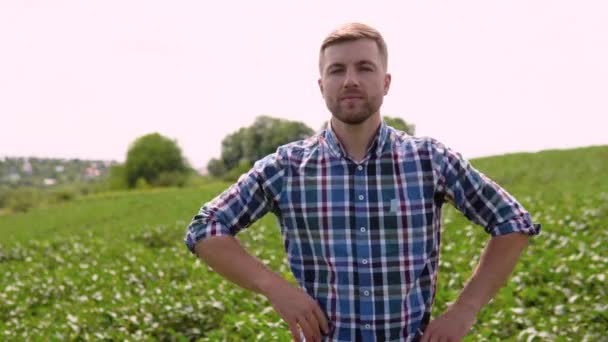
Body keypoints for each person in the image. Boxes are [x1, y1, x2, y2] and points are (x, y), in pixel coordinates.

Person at [185, 22, 540, 342]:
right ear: (322, 85)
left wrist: (465, 311)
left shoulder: (429, 160)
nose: (350, 80)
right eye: (337, 70)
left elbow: (513, 223)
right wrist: (275, 288)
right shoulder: (286, 167)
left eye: (364, 68)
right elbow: (206, 228)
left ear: (385, 82)